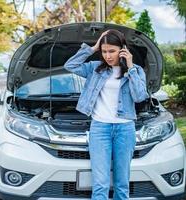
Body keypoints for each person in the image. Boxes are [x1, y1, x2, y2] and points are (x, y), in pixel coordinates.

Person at [64, 29, 149, 200]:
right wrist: (92, 48)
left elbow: (140, 96)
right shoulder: (95, 68)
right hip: (99, 128)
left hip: (125, 129)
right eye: (104, 51)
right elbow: (70, 65)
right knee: (100, 184)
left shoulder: (136, 71)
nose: (108, 56)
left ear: (122, 50)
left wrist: (130, 66)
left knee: (122, 184)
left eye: (112, 51)